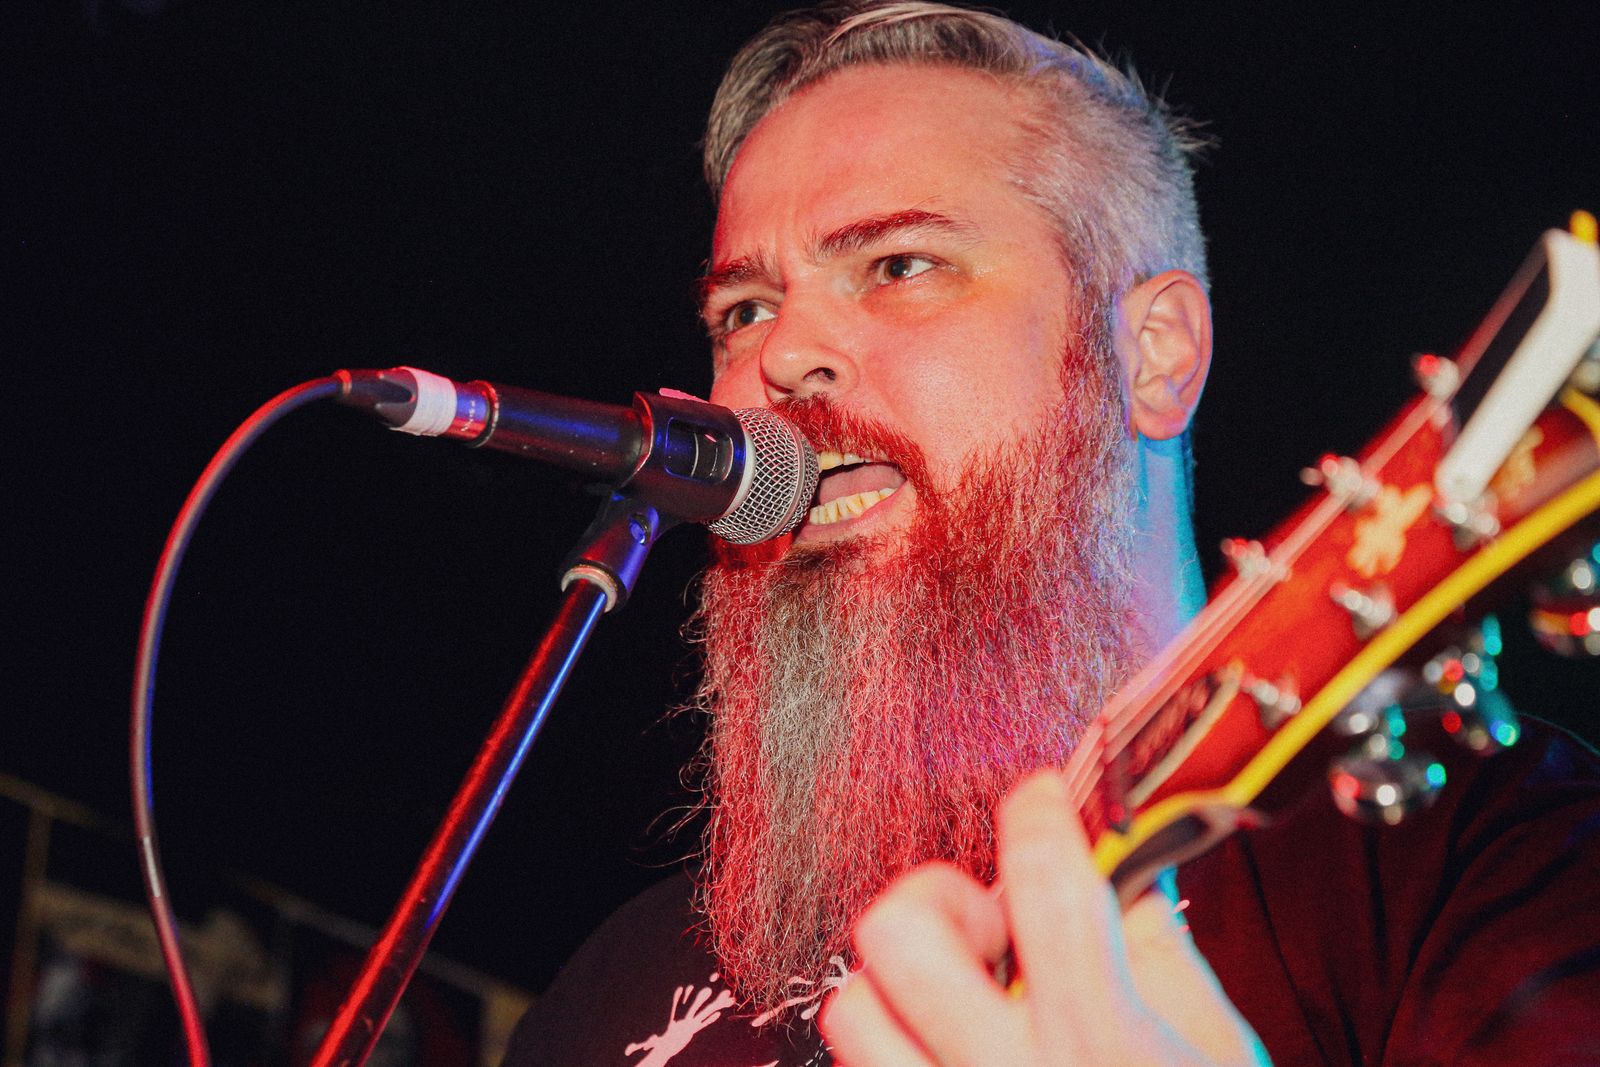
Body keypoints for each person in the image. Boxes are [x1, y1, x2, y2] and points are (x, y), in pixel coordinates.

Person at [504, 3, 1600, 1064]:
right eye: (742, 310)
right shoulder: (609, 995)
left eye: (898, 265)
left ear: (1154, 353)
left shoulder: (1482, 862)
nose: (780, 356)